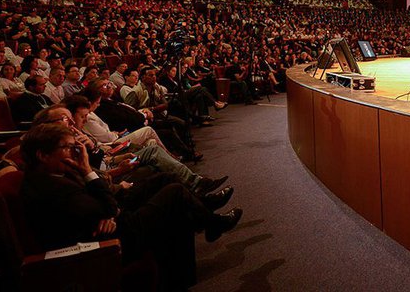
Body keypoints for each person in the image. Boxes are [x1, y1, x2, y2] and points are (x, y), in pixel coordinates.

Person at [19, 123, 242, 290]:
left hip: (111, 221)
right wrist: (87, 171)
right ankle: (212, 222)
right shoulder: (50, 186)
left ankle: (206, 209)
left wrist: (106, 209)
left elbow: (103, 205)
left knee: (164, 179)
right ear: (42, 155)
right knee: (174, 193)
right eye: (67, 147)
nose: (76, 152)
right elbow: (108, 206)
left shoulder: (55, 173)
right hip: (111, 242)